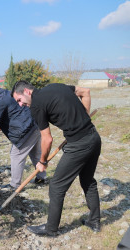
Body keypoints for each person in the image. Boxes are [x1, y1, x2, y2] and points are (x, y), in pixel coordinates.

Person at [12, 81, 101, 236]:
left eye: (19, 100)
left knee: (56, 187)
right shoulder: (56, 86)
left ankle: (51, 229)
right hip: (93, 137)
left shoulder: (36, 105)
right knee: (88, 181)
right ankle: (94, 221)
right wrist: (85, 119)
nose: (20, 104)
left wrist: (42, 161)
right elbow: (85, 92)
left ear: (27, 91)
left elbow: (47, 139)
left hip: (79, 145)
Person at [0, 84, 47, 190]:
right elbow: (13, 112)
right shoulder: (5, 93)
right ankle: (41, 178)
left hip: (25, 131)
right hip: (33, 125)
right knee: (35, 154)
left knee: (16, 155)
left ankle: (15, 185)